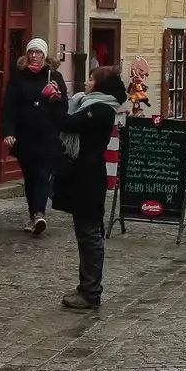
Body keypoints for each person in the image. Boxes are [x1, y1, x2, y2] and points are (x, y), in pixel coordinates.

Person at [54, 65, 126, 311]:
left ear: (101, 85)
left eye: (91, 79)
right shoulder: (90, 104)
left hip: (89, 176)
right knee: (85, 233)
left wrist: (55, 102)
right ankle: (86, 286)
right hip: (83, 174)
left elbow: (69, 123)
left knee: (90, 235)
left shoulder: (101, 110)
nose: (86, 83)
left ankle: (91, 291)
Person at [1, 38, 67, 234]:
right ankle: (33, 214)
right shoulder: (18, 77)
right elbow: (9, 106)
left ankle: (39, 213)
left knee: (42, 174)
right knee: (30, 177)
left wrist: (55, 97)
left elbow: (63, 106)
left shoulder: (54, 76)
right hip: (24, 136)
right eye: (31, 52)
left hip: (47, 135)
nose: (34, 56)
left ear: (45, 56)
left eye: (38, 52)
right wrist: (8, 132)